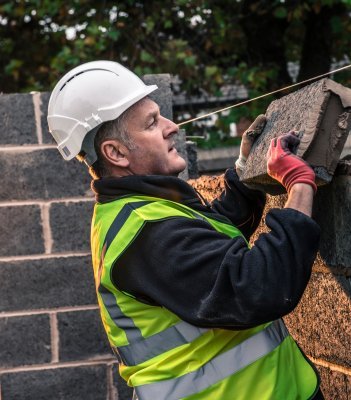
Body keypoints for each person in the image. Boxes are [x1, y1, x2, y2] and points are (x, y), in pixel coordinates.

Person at [47, 60, 323, 399]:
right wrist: (299, 184)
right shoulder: (147, 233)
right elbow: (259, 287)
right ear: (116, 152)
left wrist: (245, 169)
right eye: (151, 123)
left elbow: (209, 248)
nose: (172, 126)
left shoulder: (137, 209)